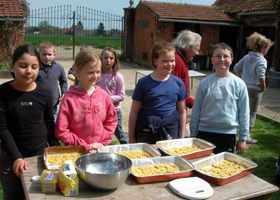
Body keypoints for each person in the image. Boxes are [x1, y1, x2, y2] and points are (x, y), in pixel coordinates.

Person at [0, 44, 57, 200]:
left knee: (38, 196)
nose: (29, 71)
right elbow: (3, 129)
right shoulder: (3, 92)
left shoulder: (44, 92)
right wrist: (17, 157)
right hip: (11, 158)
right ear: (13, 66)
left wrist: (53, 145)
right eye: (23, 66)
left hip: (38, 156)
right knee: (14, 196)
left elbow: (48, 122)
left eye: (34, 66)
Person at [190, 43, 249, 154]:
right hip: (204, 132)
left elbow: (244, 113)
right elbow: (196, 110)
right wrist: (193, 135)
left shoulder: (239, 84)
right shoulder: (204, 83)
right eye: (218, 56)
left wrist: (243, 138)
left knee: (223, 167)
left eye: (225, 56)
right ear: (212, 60)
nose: (222, 59)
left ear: (231, 59)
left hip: (227, 134)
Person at [55, 49, 117, 153]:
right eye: (90, 72)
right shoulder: (69, 99)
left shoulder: (104, 96)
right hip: (76, 152)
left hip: (99, 150)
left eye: (98, 72)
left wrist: (101, 143)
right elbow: (61, 131)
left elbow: (111, 121)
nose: (95, 76)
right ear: (77, 72)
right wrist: (84, 146)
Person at [128, 41, 187, 144]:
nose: (170, 64)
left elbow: (182, 112)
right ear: (155, 61)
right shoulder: (143, 83)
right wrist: (132, 137)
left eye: (172, 61)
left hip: (170, 132)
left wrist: (182, 136)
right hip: (147, 133)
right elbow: (134, 112)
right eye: (165, 61)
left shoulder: (179, 83)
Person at [233, 32, 273, 144]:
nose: (267, 50)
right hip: (255, 89)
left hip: (244, 87)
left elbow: (236, 68)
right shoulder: (262, 60)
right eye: (267, 48)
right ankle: (246, 136)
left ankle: (237, 132)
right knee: (252, 113)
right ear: (263, 48)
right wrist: (263, 87)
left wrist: (241, 80)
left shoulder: (247, 57)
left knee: (242, 110)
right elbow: (261, 76)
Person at [172, 29, 202, 137]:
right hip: (175, 112)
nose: (197, 53)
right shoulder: (177, 60)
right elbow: (175, 92)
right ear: (188, 46)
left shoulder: (181, 59)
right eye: (196, 49)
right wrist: (196, 103)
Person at [96, 47, 129, 144]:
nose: (108, 60)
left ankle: (127, 148)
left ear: (115, 60)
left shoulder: (118, 76)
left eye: (111, 58)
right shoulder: (97, 75)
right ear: (101, 59)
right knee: (99, 133)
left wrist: (107, 99)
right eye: (105, 58)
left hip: (114, 111)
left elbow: (121, 95)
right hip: (99, 110)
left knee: (119, 132)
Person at [36, 41, 68, 120]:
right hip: (38, 102)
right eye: (44, 54)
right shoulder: (35, 68)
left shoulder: (58, 68)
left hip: (53, 103)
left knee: (53, 122)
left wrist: (64, 93)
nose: (46, 57)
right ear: (39, 55)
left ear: (54, 55)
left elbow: (63, 81)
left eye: (49, 54)